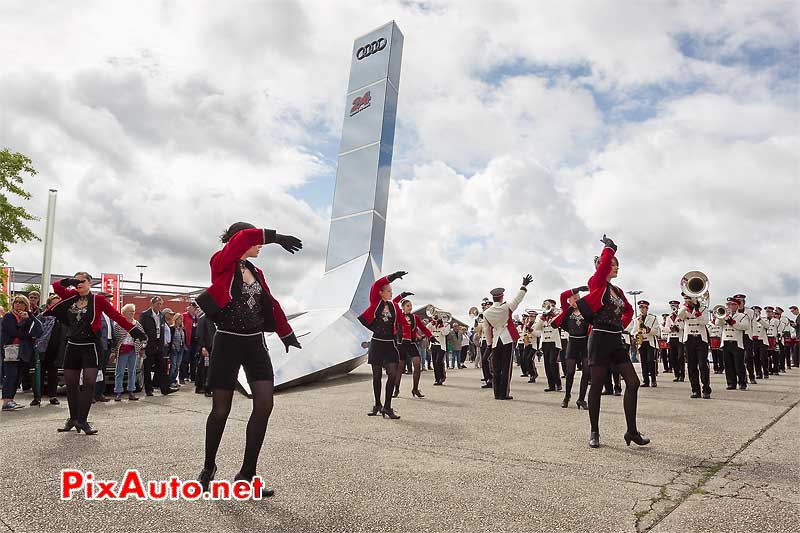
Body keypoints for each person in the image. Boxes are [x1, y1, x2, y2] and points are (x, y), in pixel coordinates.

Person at [194, 222, 303, 496]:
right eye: (257, 241)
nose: (261, 245)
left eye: (262, 241)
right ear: (238, 241)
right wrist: (276, 236)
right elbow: (243, 238)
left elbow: (271, 302)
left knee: (265, 405)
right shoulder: (221, 262)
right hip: (227, 341)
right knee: (221, 410)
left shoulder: (256, 271)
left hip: (255, 343)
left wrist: (285, 333)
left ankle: (246, 475)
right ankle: (208, 467)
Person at [45, 273, 147, 433]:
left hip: (91, 346)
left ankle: (83, 421)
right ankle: (73, 419)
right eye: (76, 281)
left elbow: (116, 315)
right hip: (72, 345)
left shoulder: (98, 300)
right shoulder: (71, 295)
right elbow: (56, 286)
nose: (79, 284)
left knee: (89, 383)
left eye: (82, 281)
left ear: (90, 283)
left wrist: (134, 330)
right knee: (71, 385)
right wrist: (68, 282)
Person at [575, 235, 647, 449]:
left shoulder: (618, 291)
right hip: (598, 338)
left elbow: (629, 310)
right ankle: (594, 432)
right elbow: (605, 264)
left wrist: (621, 324)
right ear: (603, 267)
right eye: (614, 265)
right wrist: (609, 249)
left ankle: (631, 431)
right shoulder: (596, 283)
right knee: (596, 385)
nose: (617, 268)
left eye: (617, 266)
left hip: (615, 339)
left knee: (633, 383)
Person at [358, 270, 409, 419]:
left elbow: (402, 322)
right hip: (377, 343)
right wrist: (392, 277)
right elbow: (376, 284)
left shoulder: (394, 307)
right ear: (381, 293)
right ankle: (377, 404)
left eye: (392, 291)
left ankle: (387, 407)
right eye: (388, 291)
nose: (391, 293)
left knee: (393, 374)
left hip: (390, 344)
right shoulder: (376, 301)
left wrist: (407, 336)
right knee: (376, 376)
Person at [483, 275, 532, 400]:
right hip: (507, 338)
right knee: (506, 368)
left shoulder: (487, 313)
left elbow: (487, 330)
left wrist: (489, 344)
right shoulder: (506, 307)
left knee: (496, 367)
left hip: (495, 341)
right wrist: (524, 286)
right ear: (502, 297)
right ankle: (504, 393)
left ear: (493, 298)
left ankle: (496, 393)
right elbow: (518, 299)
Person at [2, 295, 44, 411]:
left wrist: (29, 316)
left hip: (24, 350)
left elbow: (39, 329)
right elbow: (13, 332)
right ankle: (6, 400)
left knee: (19, 375)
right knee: (11, 375)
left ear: (26, 305)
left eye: (21, 302)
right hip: (11, 349)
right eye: (16, 302)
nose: (18, 304)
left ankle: (11, 399)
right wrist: (29, 335)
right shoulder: (8, 316)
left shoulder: (27, 316)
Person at [552, 286, 590, 409]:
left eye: (579, 298)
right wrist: (577, 289)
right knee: (570, 372)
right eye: (574, 298)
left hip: (585, 343)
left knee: (586, 372)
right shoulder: (567, 310)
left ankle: (581, 399)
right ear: (570, 301)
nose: (577, 300)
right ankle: (567, 397)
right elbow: (563, 295)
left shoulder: (586, 310)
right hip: (573, 343)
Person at [393, 295, 432, 398]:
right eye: (407, 305)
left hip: (411, 344)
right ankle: (396, 389)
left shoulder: (415, 317)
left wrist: (430, 337)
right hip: (401, 344)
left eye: (411, 306)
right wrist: (401, 296)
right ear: (403, 307)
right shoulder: (398, 316)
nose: (410, 307)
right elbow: (393, 304)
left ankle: (415, 389)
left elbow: (423, 328)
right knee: (400, 368)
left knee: (417, 365)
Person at [139, 297, 175, 396]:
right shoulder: (145, 315)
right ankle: (149, 389)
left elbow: (162, 329)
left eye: (160, 304)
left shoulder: (162, 316)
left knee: (162, 367)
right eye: (157, 304)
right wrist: (143, 344)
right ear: (152, 304)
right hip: (149, 344)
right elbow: (141, 330)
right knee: (148, 367)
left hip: (159, 344)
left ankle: (165, 388)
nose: (159, 306)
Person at [677, 294, 711, 398]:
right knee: (691, 366)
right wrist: (686, 306)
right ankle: (695, 390)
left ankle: (706, 389)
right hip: (689, 339)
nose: (687, 300)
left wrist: (697, 309)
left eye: (689, 298)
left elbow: (704, 322)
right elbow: (680, 316)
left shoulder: (703, 308)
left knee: (702, 365)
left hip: (701, 339)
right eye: (685, 299)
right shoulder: (684, 309)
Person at [33, 294, 64, 406]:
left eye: (58, 303)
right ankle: (37, 397)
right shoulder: (41, 317)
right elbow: (33, 331)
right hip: (40, 349)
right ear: (48, 305)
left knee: (53, 375)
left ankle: (53, 396)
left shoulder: (61, 319)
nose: (56, 305)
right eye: (54, 303)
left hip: (55, 350)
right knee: (38, 374)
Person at [714, 297, 750, 390]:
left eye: (732, 304)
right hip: (726, 342)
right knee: (728, 365)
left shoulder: (742, 316)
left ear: (736, 306)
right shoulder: (724, 315)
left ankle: (742, 383)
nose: (729, 306)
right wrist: (724, 317)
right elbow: (718, 323)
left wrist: (732, 321)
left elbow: (745, 327)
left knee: (739, 364)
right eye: (728, 304)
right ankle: (731, 383)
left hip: (736, 342)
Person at [110, 303, 144, 401]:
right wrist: (114, 351)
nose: (132, 313)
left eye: (133, 311)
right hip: (122, 350)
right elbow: (115, 338)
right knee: (119, 372)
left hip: (133, 350)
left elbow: (143, 336)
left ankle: (131, 391)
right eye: (130, 311)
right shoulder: (119, 324)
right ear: (124, 313)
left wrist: (140, 346)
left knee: (132, 372)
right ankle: (118, 392)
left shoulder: (137, 324)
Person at [630, 301, 661, 387]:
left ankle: (653, 380)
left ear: (647, 308)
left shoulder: (653, 318)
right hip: (641, 342)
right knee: (643, 362)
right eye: (640, 307)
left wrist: (647, 328)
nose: (642, 309)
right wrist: (636, 334)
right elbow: (633, 331)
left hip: (650, 342)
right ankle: (646, 381)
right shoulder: (637, 319)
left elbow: (657, 332)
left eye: (644, 307)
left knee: (651, 361)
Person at [534, 300, 562, 393]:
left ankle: (558, 384)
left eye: (549, 306)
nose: (548, 307)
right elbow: (536, 328)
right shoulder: (542, 318)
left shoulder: (557, 315)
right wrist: (543, 317)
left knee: (552, 362)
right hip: (545, 342)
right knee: (547, 364)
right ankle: (551, 385)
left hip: (554, 342)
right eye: (546, 306)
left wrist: (553, 315)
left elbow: (559, 323)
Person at [664, 301, 685, 382]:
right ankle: (676, 375)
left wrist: (678, 327)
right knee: (673, 358)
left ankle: (682, 375)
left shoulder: (681, 316)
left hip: (679, 339)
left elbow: (683, 326)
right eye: (672, 306)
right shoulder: (669, 317)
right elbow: (665, 329)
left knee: (680, 357)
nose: (673, 307)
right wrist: (670, 328)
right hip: (672, 338)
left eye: (675, 305)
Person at [181, 302, 201, 384]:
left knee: (194, 360)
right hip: (187, 341)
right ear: (189, 308)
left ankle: (193, 377)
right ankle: (183, 376)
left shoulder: (197, 317)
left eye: (195, 308)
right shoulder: (184, 316)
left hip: (195, 342)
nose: (194, 309)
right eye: (193, 308)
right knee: (185, 360)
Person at [428, 315, 450, 386]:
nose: (437, 318)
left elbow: (445, 333)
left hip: (441, 346)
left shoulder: (446, 324)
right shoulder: (432, 324)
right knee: (434, 362)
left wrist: (441, 326)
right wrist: (432, 322)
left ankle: (442, 376)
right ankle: (437, 379)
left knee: (438, 361)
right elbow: (426, 329)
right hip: (433, 345)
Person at [168, 313, 187, 387]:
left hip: (181, 348)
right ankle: (170, 381)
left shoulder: (182, 329)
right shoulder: (172, 328)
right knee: (173, 365)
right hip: (174, 348)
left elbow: (184, 339)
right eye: (179, 319)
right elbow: (170, 338)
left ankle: (174, 380)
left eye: (182, 319)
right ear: (175, 320)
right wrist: (172, 345)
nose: (181, 320)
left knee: (178, 365)